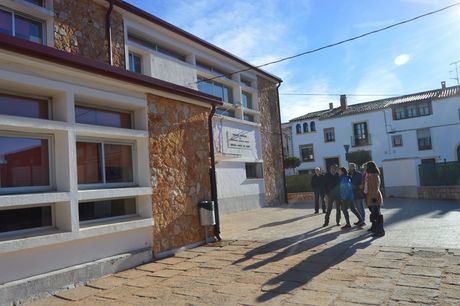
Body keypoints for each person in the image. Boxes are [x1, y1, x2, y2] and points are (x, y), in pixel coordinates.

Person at [366, 161, 385, 237]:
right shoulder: (371, 175)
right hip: (371, 197)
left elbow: (376, 188)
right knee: (374, 214)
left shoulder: (374, 176)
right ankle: (375, 228)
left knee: (377, 215)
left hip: (375, 197)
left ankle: (380, 231)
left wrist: (373, 198)